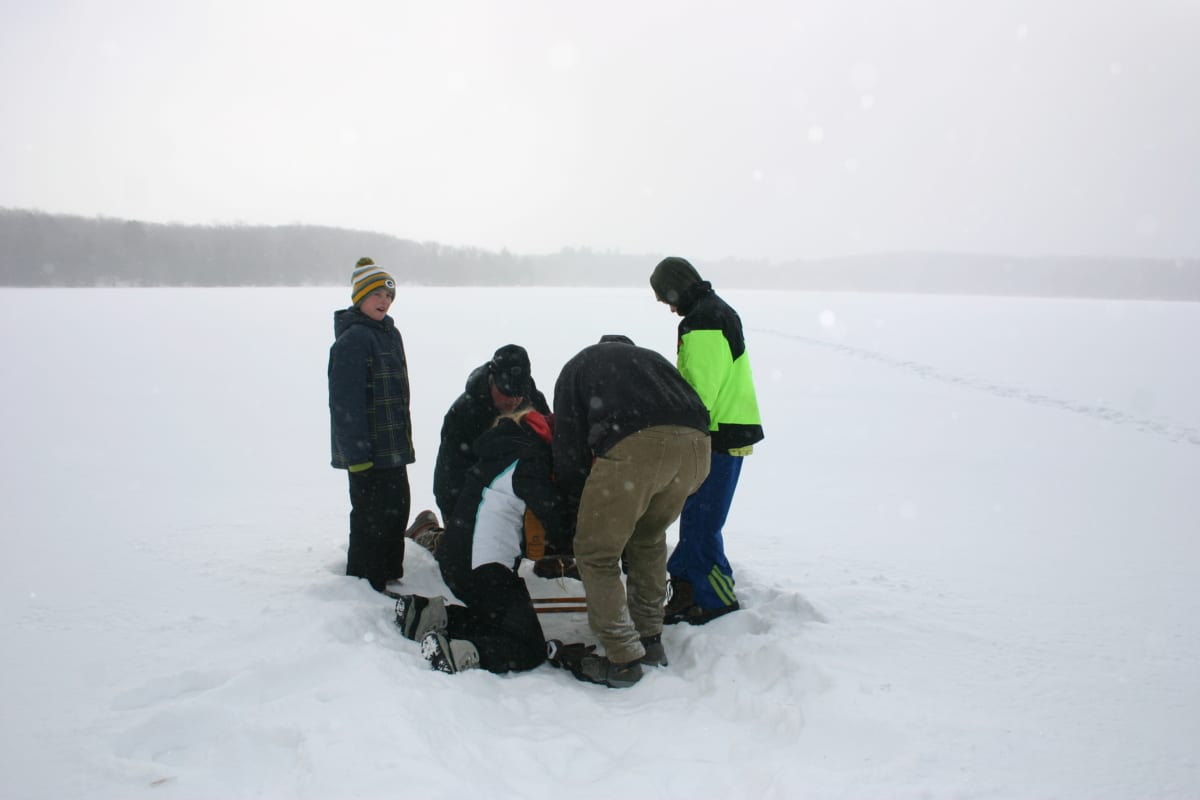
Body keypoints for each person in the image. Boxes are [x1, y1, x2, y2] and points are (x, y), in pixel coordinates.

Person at [549, 335, 711, 688]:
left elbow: (568, 447)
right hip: (698, 448)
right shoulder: (653, 363)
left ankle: (622, 659)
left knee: (596, 553)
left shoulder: (580, 366)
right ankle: (650, 638)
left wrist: (574, 502)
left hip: (640, 447)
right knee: (649, 538)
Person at [393, 407, 571, 674]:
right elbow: (559, 523)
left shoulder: (513, 443)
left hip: (460, 558)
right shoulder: (531, 458)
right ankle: (460, 652)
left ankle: (427, 615)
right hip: (482, 568)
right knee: (527, 646)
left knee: (502, 619)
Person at [649, 256, 764, 625]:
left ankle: (716, 599)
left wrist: (672, 422)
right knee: (696, 518)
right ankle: (687, 588)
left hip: (719, 435)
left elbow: (701, 392)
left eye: (666, 299)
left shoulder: (705, 320)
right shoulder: (709, 313)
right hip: (719, 431)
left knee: (702, 523)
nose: (668, 309)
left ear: (675, 287)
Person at [328, 257, 415, 592]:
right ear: (360, 297)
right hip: (367, 451)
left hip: (392, 446)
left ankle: (389, 572)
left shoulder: (390, 335)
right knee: (370, 518)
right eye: (377, 294)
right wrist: (357, 454)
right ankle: (366, 581)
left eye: (389, 297)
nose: (384, 301)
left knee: (397, 510)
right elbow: (345, 404)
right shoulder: (353, 340)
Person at [433, 344, 550, 524]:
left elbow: (549, 447)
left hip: (520, 498)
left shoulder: (534, 401)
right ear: (492, 379)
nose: (514, 400)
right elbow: (451, 477)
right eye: (507, 392)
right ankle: (429, 536)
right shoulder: (463, 413)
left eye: (519, 393)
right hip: (466, 497)